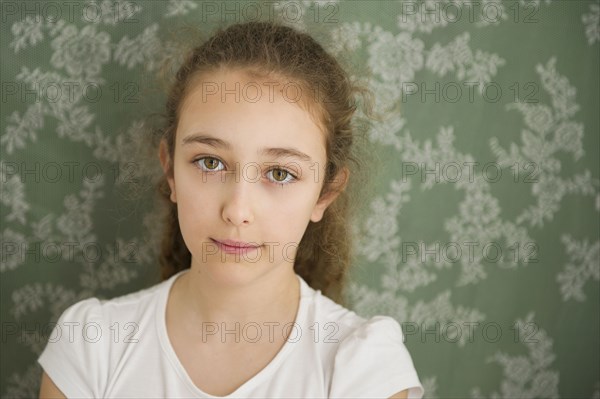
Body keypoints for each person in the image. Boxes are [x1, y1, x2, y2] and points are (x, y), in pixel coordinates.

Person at [38, 20, 424, 398]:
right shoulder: (92, 345)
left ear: (325, 193)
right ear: (170, 170)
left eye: (279, 172)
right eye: (210, 163)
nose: (237, 211)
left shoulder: (362, 368)